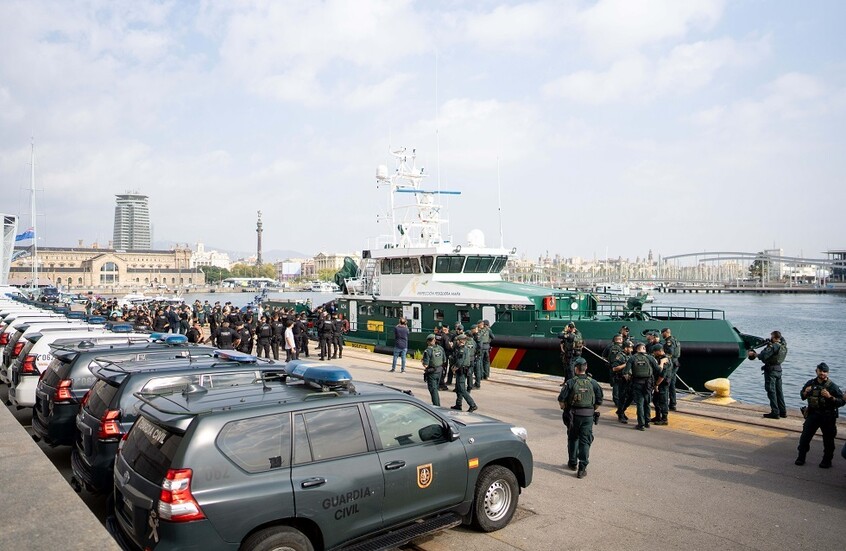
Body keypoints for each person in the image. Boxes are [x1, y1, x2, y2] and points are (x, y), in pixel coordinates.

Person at [557, 357, 603, 479]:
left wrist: (565, 409)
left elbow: (561, 399)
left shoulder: (571, 382)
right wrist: (592, 409)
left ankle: (572, 463)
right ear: (586, 367)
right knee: (585, 441)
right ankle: (582, 468)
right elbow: (599, 400)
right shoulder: (593, 382)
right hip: (588, 416)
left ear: (575, 369)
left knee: (572, 438)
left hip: (574, 416)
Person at [796, 363, 844, 468]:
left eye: (825, 371)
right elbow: (802, 396)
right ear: (816, 371)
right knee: (805, 437)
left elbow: (841, 401)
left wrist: (830, 397)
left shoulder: (832, 386)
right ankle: (801, 457)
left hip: (827, 416)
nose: (822, 373)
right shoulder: (810, 383)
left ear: (828, 373)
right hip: (813, 414)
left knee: (828, 440)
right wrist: (805, 392)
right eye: (820, 371)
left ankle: (827, 461)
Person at [749, 330, 788, 418]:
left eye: (771, 336)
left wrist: (754, 354)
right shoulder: (783, 345)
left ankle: (775, 412)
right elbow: (782, 339)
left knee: (771, 391)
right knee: (779, 392)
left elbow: (763, 355)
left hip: (771, 371)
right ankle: (783, 411)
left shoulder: (773, 346)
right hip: (779, 370)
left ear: (774, 337)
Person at [626, 342, 660, 430]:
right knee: (647, 403)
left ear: (636, 349)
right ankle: (647, 422)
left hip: (637, 383)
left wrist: (629, 376)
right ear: (644, 348)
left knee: (640, 404)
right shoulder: (650, 358)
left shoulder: (632, 358)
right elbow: (658, 370)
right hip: (648, 384)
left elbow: (625, 372)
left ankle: (641, 424)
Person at [451, 334, 478, 412]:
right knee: (459, 388)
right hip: (463, 370)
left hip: (461, 370)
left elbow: (460, 361)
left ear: (460, 341)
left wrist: (454, 368)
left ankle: (472, 405)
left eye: (458, 341)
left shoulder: (462, 350)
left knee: (462, 389)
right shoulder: (464, 348)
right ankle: (458, 404)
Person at [611, 339, 633, 423]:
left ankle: (621, 410)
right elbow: (614, 368)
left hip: (629, 379)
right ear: (626, 348)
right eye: (630, 348)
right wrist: (626, 364)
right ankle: (621, 414)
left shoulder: (630, 356)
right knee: (622, 398)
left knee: (631, 397)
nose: (631, 350)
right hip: (621, 379)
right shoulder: (619, 356)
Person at [421, 334, 446, 406]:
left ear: (428, 341)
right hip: (439, 371)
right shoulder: (441, 348)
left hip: (432, 372)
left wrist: (422, 362)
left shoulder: (428, 350)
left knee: (433, 390)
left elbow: (426, 365)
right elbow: (444, 360)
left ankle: (436, 405)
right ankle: (436, 403)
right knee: (436, 389)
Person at [649, 344, 670, 425]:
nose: (654, 353)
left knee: (663, 401)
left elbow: (662, 375)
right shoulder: (659, 358)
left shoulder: (665, 360)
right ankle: (658, 416)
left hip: (662, 383)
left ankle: (664, 419)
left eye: (655, 351)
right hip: (658, 382)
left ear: (660, 351)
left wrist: (657, 384)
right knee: (655, 400)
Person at [661, 328, 681, 410]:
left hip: (671, 364)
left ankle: (664, 404)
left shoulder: (669, 342)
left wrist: (663, 359)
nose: (662, 334)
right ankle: (672, 404)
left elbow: (670, 353)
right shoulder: (675, 340)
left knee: (666, 383)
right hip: (675, 363)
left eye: (663, 333)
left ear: (666, 333)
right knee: (672, 384)